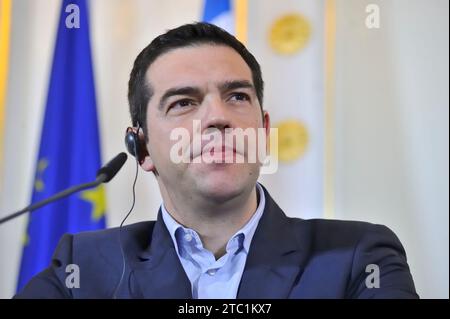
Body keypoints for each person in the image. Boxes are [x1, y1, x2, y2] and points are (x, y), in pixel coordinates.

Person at [15, 22, 418, 299]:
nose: (217, 117)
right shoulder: (82, 267)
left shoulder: (358, 256)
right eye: (184, 102)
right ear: (142, 148)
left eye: (237, 96)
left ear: (262, 132)